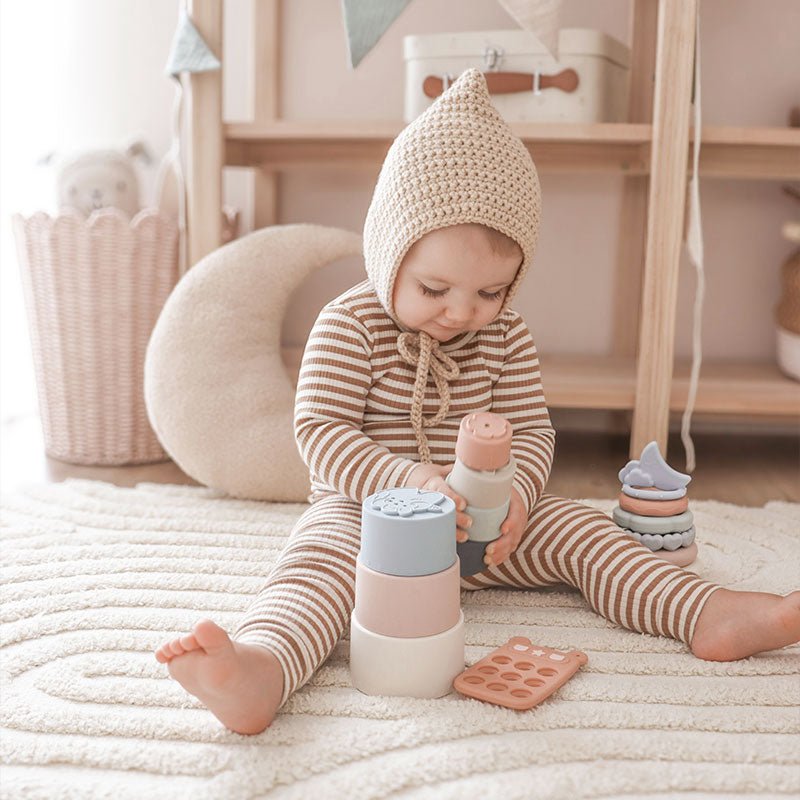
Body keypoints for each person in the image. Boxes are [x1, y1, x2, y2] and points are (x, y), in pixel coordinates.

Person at [155, 69, 800, 735]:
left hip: (484, 536)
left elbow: (530, 429)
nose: (461, 313)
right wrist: (407, 478)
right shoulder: (349, 324)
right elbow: (320, 430)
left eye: (490, 292)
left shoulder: (505, 335)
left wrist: (517, 497)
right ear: (388, 254)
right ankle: (262, 670)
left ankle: (704, 612)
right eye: (434, 289)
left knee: (585, 531)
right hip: (368, 526)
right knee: (312, 572)